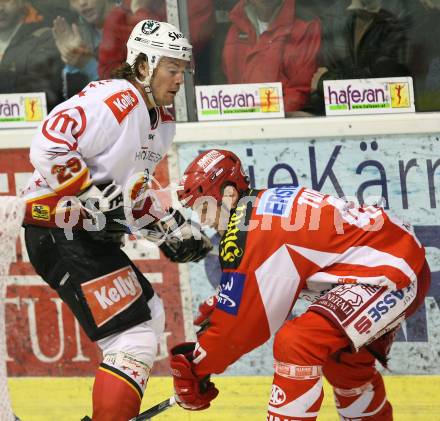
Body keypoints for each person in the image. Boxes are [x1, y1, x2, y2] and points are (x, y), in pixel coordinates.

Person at [20, 20, 211, 421]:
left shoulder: (162, 122)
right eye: (170, 69)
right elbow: (49, 143)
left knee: (151, 313)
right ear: (143, 66)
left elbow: (128, 195)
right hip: (59, 230)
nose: (179, 79)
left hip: (83, 236)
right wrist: (86, 193)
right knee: (133, 334)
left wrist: (169, 227)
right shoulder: (117, 99)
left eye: (183, 70)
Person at [169, 149, 431, 420]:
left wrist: (196, 366)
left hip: (393, 272)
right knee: (344, 365)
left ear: (228, 195)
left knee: (298, 343)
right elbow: (264, 293)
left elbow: (242, 328)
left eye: (204, 207)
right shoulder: (259, 205)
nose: (204, 219)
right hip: (393, 259)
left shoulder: (252, 230)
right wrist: (225, 306)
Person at [307, 0, 409, 115]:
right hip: (348, 112)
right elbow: (330, 77)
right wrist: (310, 113)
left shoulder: (392, 26)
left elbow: (386, 77)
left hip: (386, 115)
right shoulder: (344, 22)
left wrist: (326, 80)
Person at [222, 0, 321, 113]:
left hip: (283, 124)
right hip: (242, 123)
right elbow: (226, 91)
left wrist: (261, 118)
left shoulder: (305, 25)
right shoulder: (234, 26)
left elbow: (299, 92)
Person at [98, 0, 214, 84]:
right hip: (139, 103)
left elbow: (177, 51)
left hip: (189, 97)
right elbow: (108, 72)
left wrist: (141, 13)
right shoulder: (120, 16)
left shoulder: (193, 4)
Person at [0, 0, 63, 110]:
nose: (0, 8)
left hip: (25, 120)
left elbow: (41, 92)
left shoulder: (44, 37)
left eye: (5, 0)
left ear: (22, 2)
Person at [52, 0, 114, 98]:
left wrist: (88, 65)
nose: (82, 3)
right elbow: (72, 99)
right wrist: (71, 60)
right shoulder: (79, 31)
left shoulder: (131, 23)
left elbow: (127, 94)